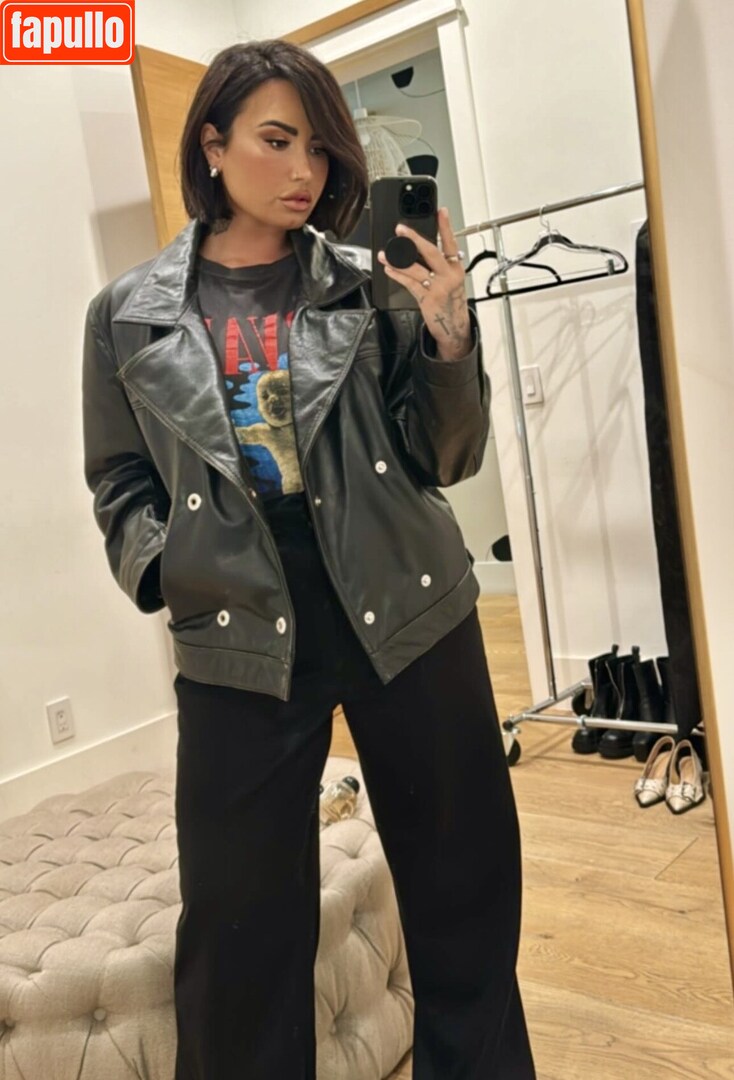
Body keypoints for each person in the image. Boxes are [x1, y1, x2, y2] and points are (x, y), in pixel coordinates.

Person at [82, 38, 536, 1080]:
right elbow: (118, 479)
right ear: (212, 144)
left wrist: (446, 335)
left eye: (320, 149)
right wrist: (167, 569)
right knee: (236, 928)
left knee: (464, 894)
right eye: (277, 141)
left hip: (406, 600)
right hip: (235, 619)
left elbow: (445, 459)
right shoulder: (127, 315)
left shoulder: (369, 287)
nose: (304, 171)